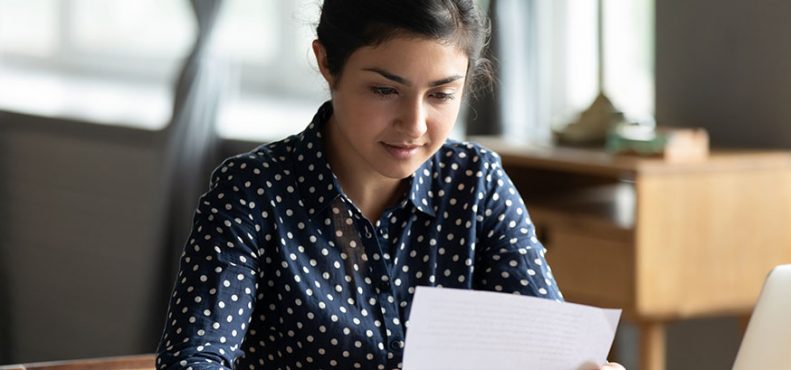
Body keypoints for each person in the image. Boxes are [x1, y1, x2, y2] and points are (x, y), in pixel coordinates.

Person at [156, 0, 624, 369]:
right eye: (384, 90)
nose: (414, 124)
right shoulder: (252, 193)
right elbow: (195, 359)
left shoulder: (477, 185)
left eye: (441, 94)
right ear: (327, 63)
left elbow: (547, 353)